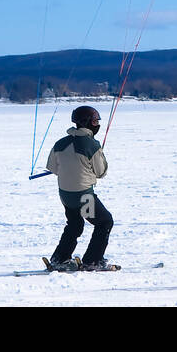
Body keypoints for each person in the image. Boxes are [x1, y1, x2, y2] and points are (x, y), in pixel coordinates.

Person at [45, 105, 116, 271]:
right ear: (88, 123)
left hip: (66, 197)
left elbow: (53, 168)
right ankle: (93, 260)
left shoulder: (60, 143)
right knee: (104, 222)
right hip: (84, 197)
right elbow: (101, 172)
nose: (97, 124)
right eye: (95, 121)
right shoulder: (92, 145)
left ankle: (59, 259)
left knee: (75, 225)